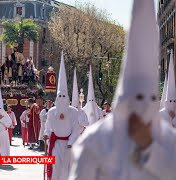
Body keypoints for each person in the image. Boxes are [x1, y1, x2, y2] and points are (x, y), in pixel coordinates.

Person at [69, 1, 176, 179]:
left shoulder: (169, 139)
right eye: (138, 97)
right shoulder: (96, 140)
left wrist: (150, 148)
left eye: (151, 98)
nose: (143, 107)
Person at [43, 51, 80, 180]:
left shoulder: (73, 112)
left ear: (68, 98)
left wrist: (71, 141)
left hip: (68, 145)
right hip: (55, 143)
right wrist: (46, 134)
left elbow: (76, 128)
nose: (62, 98)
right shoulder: (52, 111)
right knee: (55, 166)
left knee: (67, 167)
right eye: (60, 96)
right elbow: (48, 125)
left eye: (64, 96)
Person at [160, 51, 176, 128]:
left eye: (174, 101)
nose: (172, 103)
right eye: (170, 101)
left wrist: (174, 118)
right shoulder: (161, 113)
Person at [71, 68, 89, 134]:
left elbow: (87, 123)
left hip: (80, 135)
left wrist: (81, 122)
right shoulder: (69, 112)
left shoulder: (82, 112)